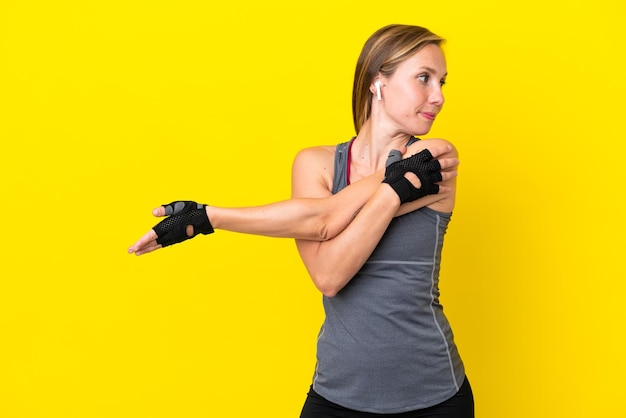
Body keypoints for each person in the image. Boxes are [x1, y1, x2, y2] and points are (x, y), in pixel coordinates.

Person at [128, 24, 473, 417]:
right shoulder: (316, 164)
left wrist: (210, 218)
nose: (439, 96)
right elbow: (324, 242)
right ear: (379, 82)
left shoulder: (436, 158)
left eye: (443, 82)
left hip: (434, 397)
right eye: (424, 79)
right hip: (337, 394)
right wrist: (206, 217)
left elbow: (326, 238)